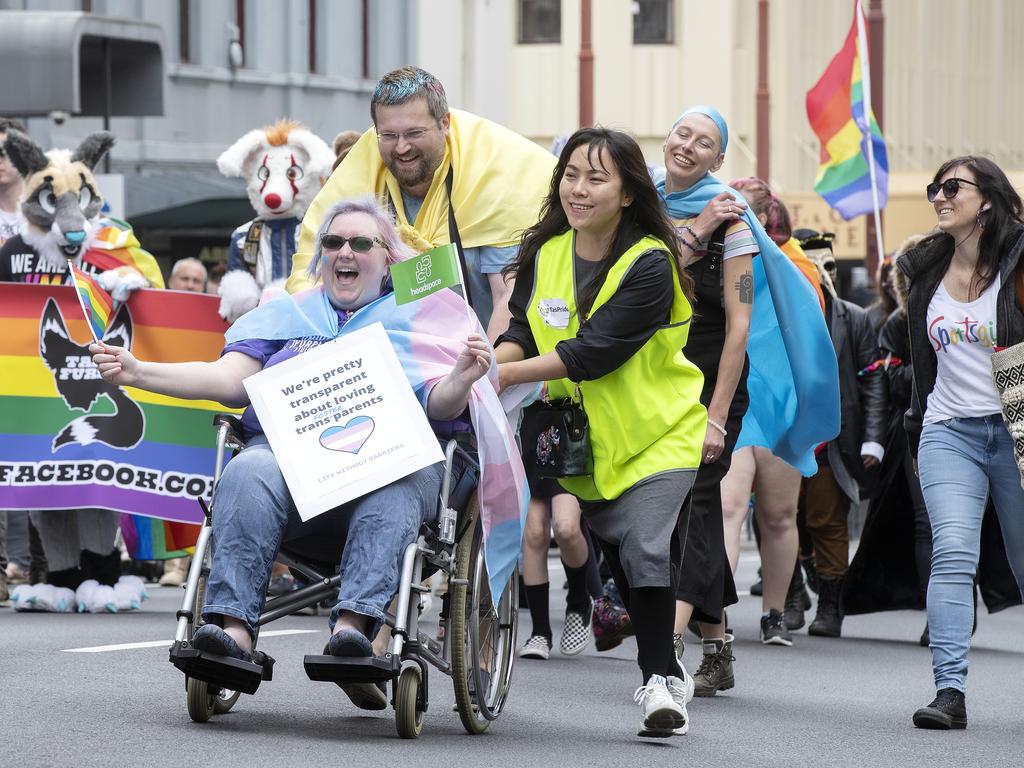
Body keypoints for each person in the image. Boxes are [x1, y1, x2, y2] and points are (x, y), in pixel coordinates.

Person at [91, 196, 519, 710]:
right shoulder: (287, 316)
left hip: (392, 468)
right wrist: (140, 373)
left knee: (396, 480)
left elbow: (440, 402)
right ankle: (233, 632)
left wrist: (460, 377)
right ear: (321, 258)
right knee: (248, 467)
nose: (347, 252)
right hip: (294, 478)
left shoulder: (422, 318)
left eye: (363, 243)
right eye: (335, 242)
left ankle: (354, 628)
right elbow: (227, 381)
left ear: (388, 259)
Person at [496, 127, 706, 738]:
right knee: (621, 558)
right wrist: (485, 359)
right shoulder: (546, 254)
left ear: (629, 193)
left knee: (643, 547)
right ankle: (664, 662)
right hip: (581, 445)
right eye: (570, 175)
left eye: (596, 178)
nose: (578, 189)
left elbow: (592, 353)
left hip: (659, 434)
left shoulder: (652, 263)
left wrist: (504, 372)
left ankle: (658, 684)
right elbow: (524, 332)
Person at [287, 66, 556, 341]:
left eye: (414, 133)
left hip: (485, 361)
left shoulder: (490, 179)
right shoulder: (359, 182)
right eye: (389, 135)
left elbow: (508, 297)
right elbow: (311, 282)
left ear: (445, 123)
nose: (402, 147)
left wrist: (486, 376)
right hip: (398, 365)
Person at [897, 156, 1024, 730]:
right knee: (952, 552)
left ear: (989, 200)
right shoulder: (924, 272)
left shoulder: (1019, 264)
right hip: (949, 431)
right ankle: (949, 691)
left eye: (954, 188)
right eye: (935, 189)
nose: (940, 197)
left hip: (1017, 431)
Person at [704, 180, 824, 679]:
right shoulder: (726, 263)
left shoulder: (795, 269)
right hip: (737, 397)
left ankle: (775, 613)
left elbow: (814, 339)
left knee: (777, 515)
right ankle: (718, 616)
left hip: (783, 399)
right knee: (729, 507)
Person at [652, 108, 753, 671]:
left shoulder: (735, 224)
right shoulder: (640, 205)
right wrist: (697, 229)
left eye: (704, 142)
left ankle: (668, 642)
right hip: (655, 381)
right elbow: (646, 278)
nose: (688, 146)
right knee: (696, 507)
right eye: (681, 134)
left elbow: (740, 327)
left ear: (719, 160)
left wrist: (716, 416)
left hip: (714, 381)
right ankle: (717, 645)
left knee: (694, 500)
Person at [793, 229, 886, 639]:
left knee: (826, 519)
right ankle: (791, 593)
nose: (823, 275)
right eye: (813, 267)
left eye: (828, 266)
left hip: (831, 438)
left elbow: (872, 380)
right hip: (783, 434)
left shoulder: (855, 317)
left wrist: (872, 437)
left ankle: (831, 601)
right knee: (779, 519)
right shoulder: (779, 311)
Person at [0, 116, 27, 602]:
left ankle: (30, 563)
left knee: (32, 457)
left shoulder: (43, 213)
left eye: (6, 151)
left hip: (33, 356)